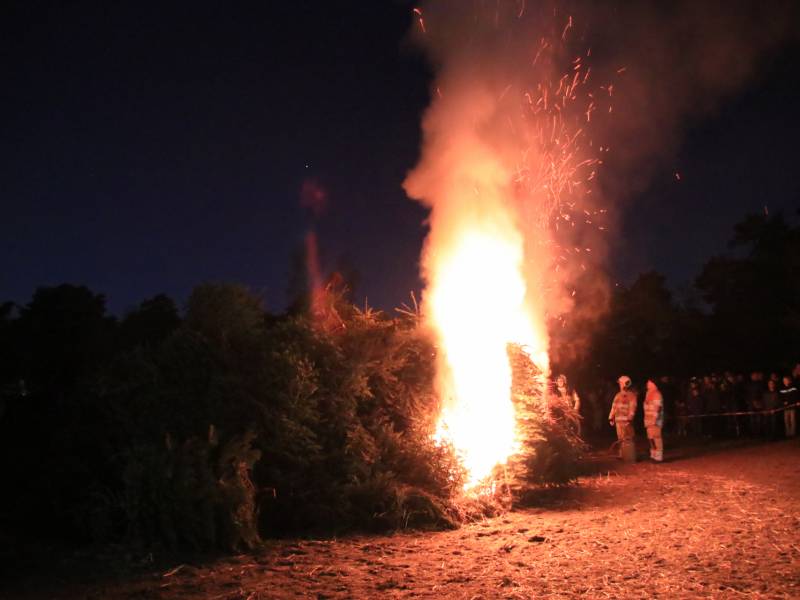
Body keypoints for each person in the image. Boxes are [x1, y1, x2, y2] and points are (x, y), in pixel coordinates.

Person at [609, 375, 637, 461]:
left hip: (626, 421)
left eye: (620, 383)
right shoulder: (618, 395)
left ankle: (629, 455)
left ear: (624, 384)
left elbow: (633, 407)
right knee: (620, 438)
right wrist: (611, 417)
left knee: (628, 438)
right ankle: (622, 454)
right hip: (618, 421)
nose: (619, 385)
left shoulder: (631, 395)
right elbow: (613, 407)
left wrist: (630, 418)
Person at [644, 379, 665, 461]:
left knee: (656, 438)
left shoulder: (657, 394)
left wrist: (654, 419)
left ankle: (659, 457)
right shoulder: (648, 394)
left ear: (654, 384)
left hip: (655, 421)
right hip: (648, 420)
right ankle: (653, 455)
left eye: (649, 382)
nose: (647, 384)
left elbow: (658, 408)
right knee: (650, 438)